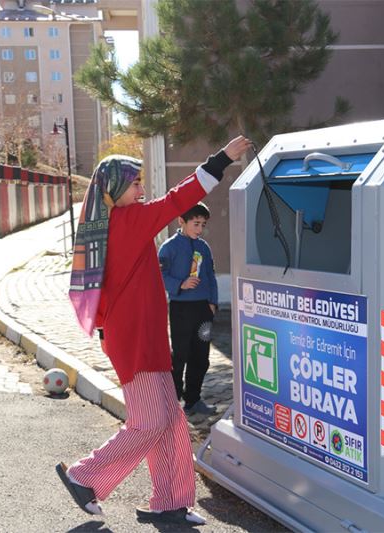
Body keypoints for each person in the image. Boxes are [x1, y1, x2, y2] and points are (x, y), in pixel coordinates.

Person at [58, 136, 252, 525]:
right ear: (115, 190)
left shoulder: (115, 222)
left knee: (170, 417)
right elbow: (178, 201)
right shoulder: (126, 222)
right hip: (135, 340)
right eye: (134, 184)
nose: (142, 190)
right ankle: (85, 477)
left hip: (144, 335)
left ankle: (171, 501)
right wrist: (221, 161)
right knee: (150, 421)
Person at [159, 202, 218, 416]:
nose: (200, 229)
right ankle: (173, 403)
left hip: (203, 310)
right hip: (181, 309)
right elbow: (160, 275)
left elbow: (211, 277)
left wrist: (212, 303)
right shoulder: (169, 247)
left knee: (201, 356)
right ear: (181, 221)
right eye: (195, 224)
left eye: (203, 224)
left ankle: (193, 400)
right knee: (180, 354)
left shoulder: (204, 247)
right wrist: (180, 284)